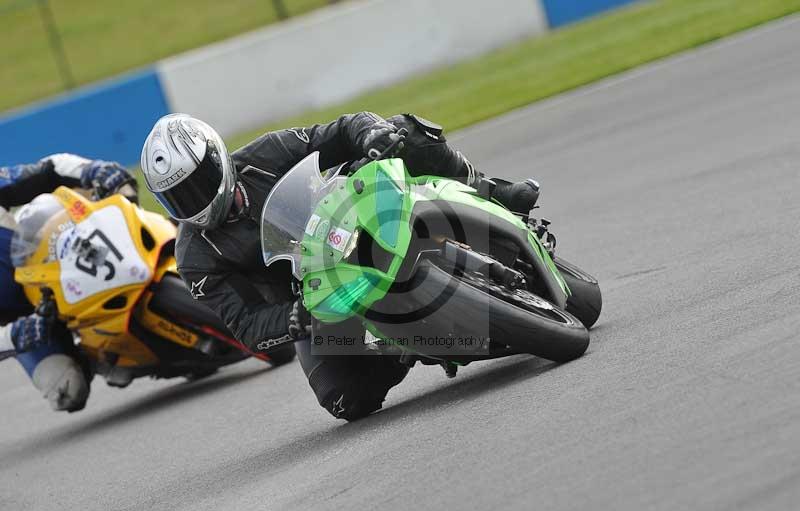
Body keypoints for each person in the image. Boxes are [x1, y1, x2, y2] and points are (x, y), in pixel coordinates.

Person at [141, 112, 539, 421]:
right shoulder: (194, 257)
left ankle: (491, 191)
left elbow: (341, 130)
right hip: (317, 300)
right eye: (178, 197)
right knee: (347, 401)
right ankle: (399, 347)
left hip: (352, 218)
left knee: (403, 130)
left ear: (217, 158)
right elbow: (245, 325)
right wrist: (292, 318)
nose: (193, 201)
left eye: (197, 183)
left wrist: (370, 134)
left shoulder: (264, 155)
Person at [0, 154, 134, 411]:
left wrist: (93, 169)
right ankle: (104, 356)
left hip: (51, 267)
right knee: (67, 390)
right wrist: (15, 335)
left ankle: (179, 249)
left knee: (107, 193)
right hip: (27, 320)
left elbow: (48, 168)